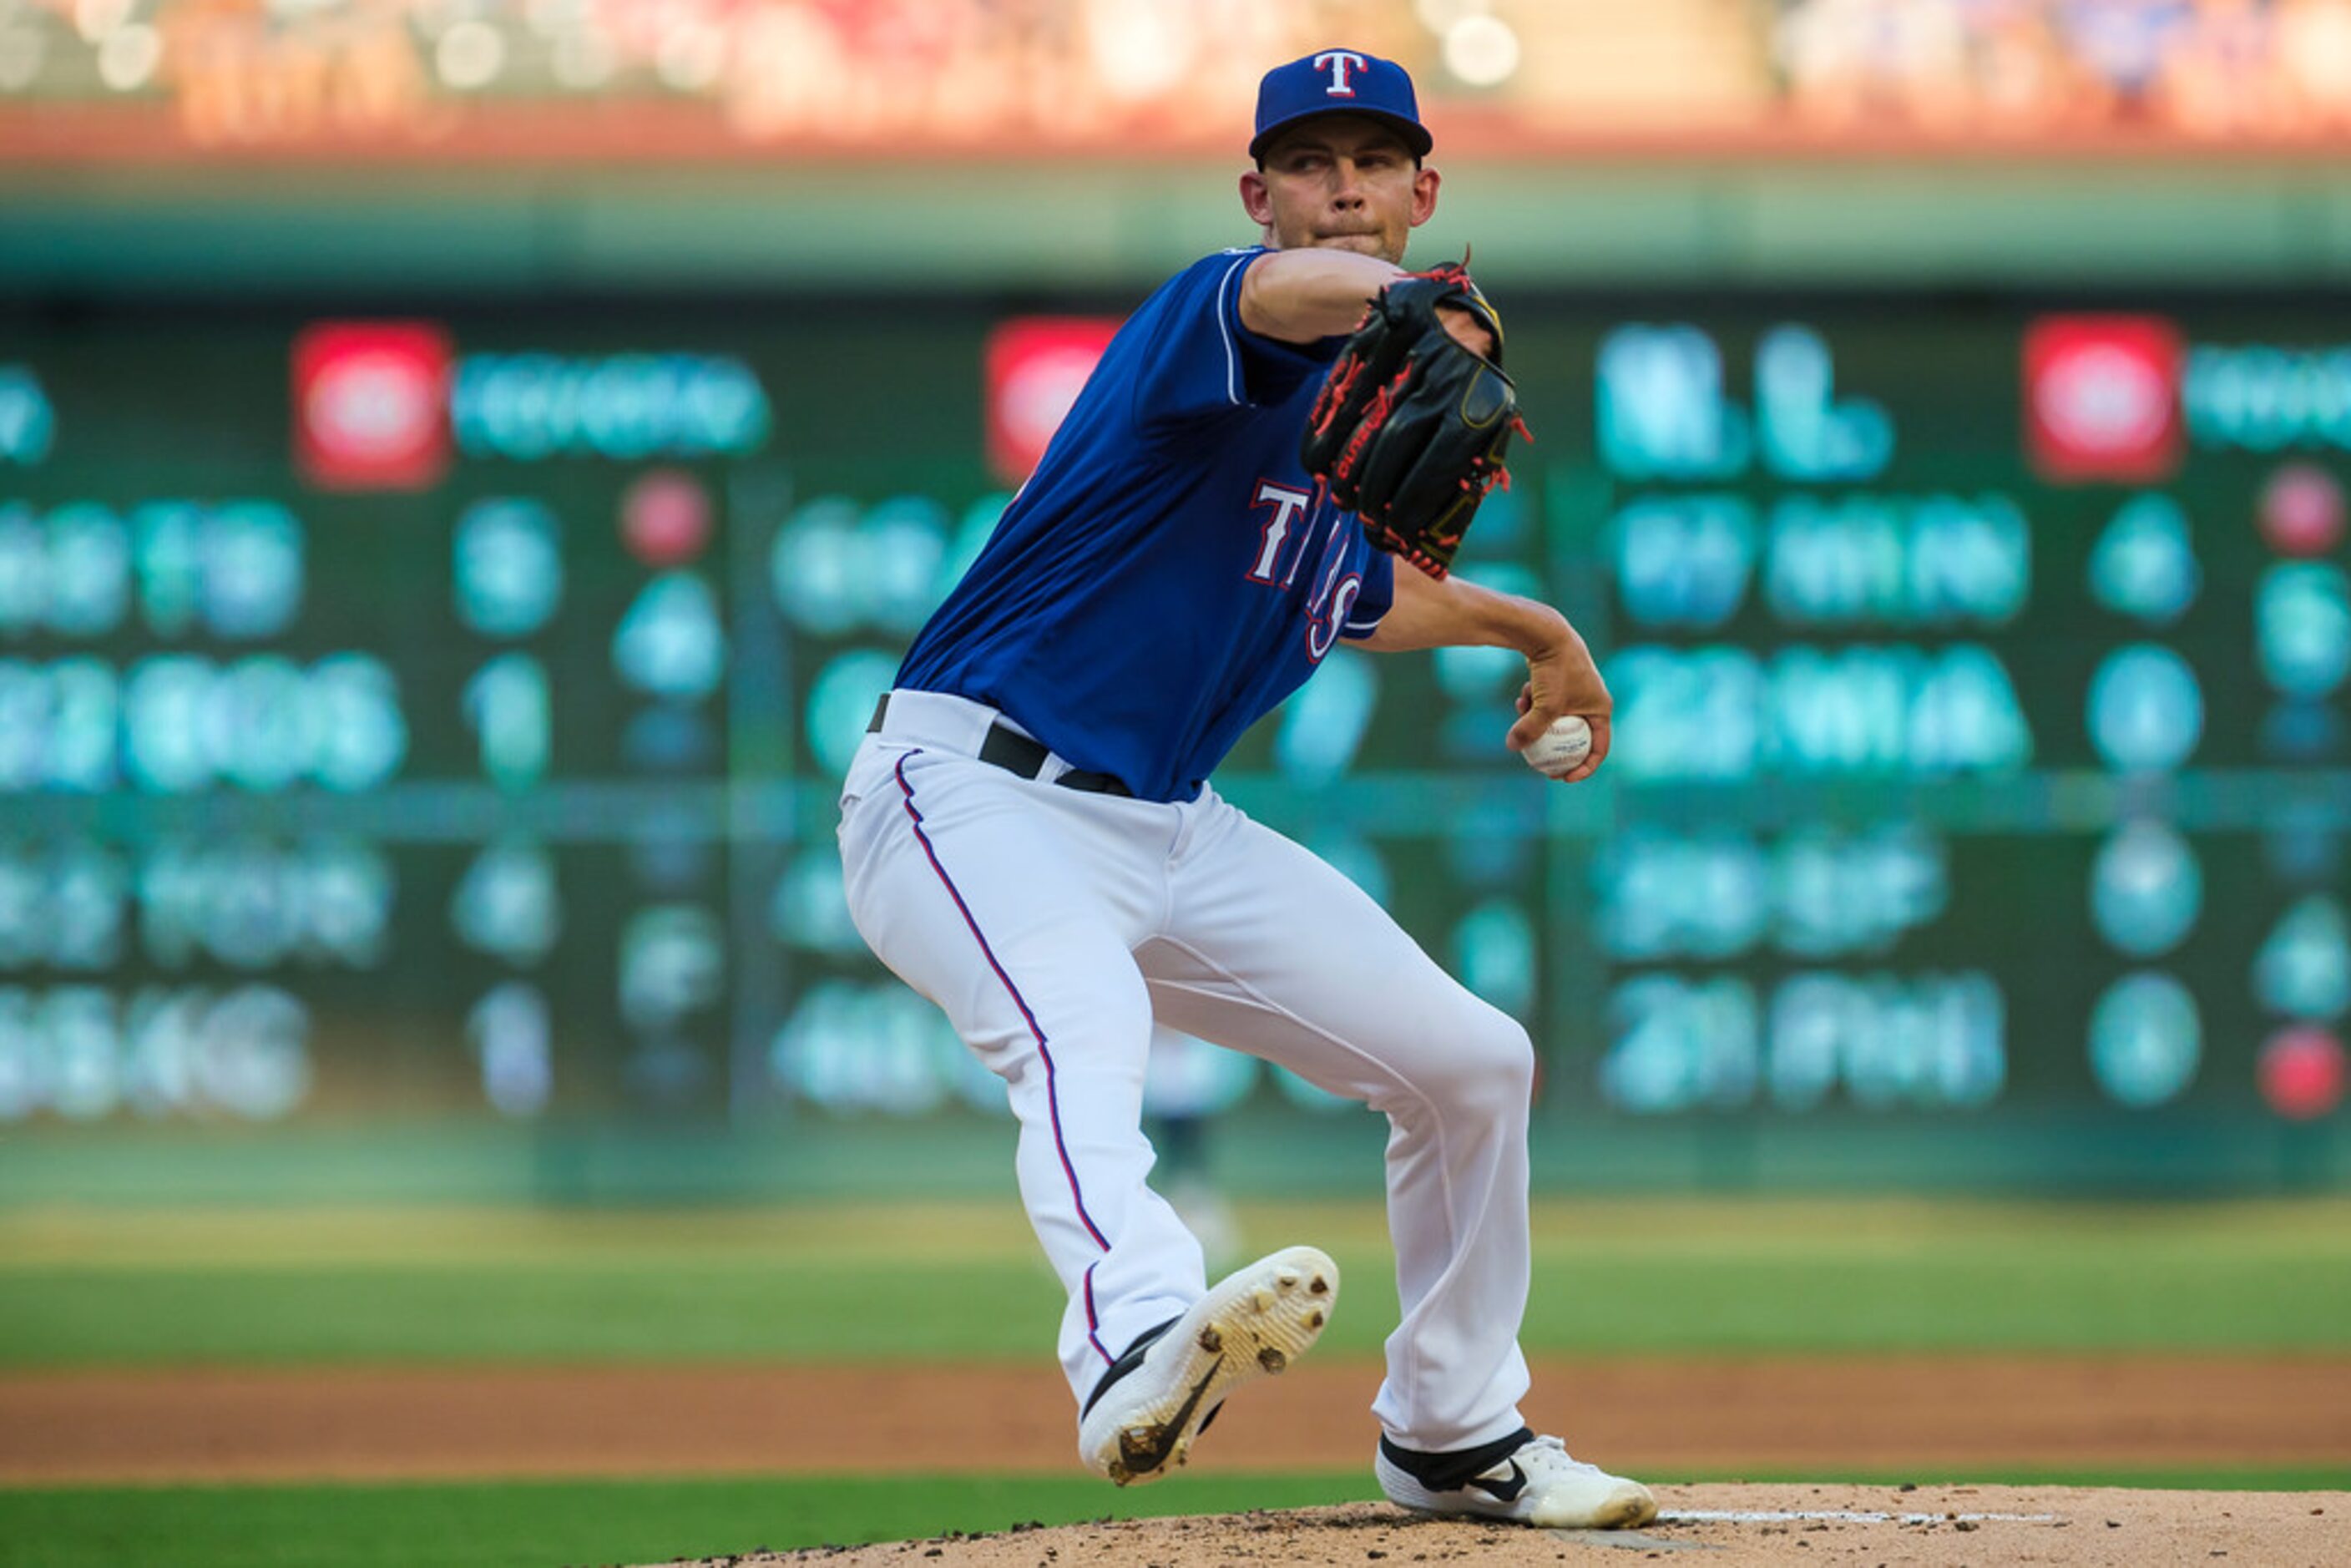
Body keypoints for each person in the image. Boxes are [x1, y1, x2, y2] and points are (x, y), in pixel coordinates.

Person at [836, 48, 1651, 1530]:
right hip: (969, 792)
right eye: (1310, 160)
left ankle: (1455, 1429)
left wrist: (1536, 629)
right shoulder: (1213, 314)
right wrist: (1408, 303)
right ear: (1257, 192)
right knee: (1082, 1029)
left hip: (1167, 827)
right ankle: (1132, 1338)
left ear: (1425, 186)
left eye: (1374, 158)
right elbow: (1282, 300)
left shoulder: (1357, 434)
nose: (1344, 184)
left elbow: (1361, 591)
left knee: (1473, 1065)